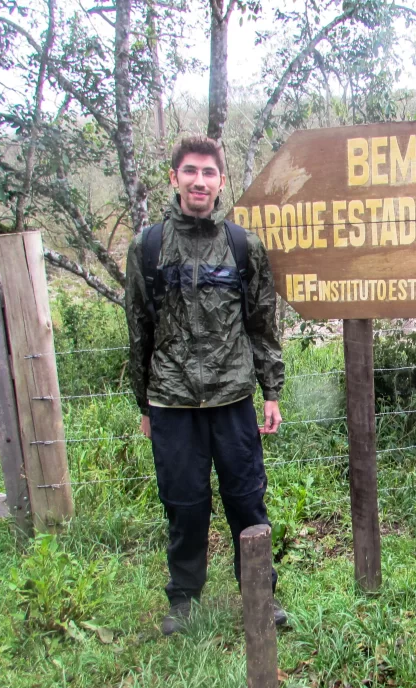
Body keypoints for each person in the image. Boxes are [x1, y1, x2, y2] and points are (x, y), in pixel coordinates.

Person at [126, 135, 286, 636]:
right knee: (184, 502)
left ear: (221, 182)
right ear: (174, 178)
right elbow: (138, 329)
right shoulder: (148, 247)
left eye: (209, 173)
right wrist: (144, 403)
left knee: (246, 499)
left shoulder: (243, 246)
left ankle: (260, 595)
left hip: (233, 397)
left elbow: (262, 325)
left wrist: (271, 391)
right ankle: (184, 599)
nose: (200, 181)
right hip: (171, 400)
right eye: (190, 171)